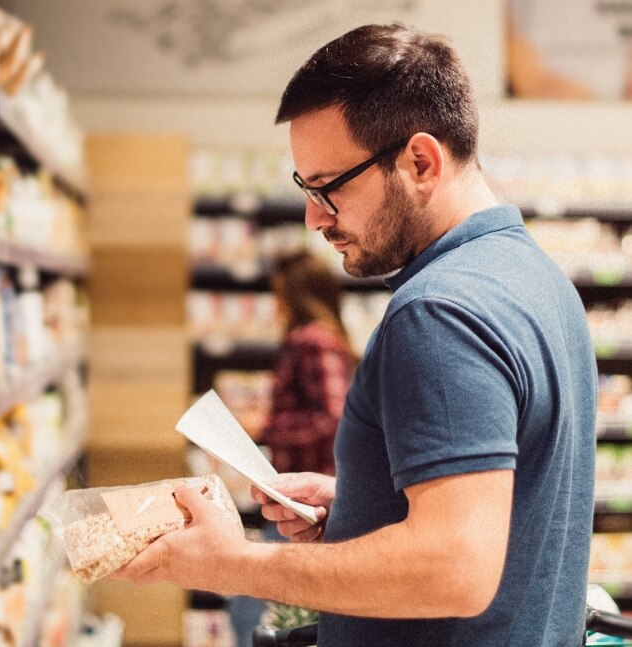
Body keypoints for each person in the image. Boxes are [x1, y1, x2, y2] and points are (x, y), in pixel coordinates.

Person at [117, 23, 597, 647]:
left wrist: (230, 564)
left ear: (420, 162)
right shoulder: (539, 281)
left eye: (329, 187)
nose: (316, 217)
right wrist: (364, 505)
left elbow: (453, 570)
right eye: (306, 190)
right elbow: (507, 509)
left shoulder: (437, 311)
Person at [262, 250, 356, 476]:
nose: (275, 302)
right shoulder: (319, 337)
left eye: (279, 292)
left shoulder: (313, 340)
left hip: (314, 481)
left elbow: (331, 415)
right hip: (308, 480)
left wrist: (269, 427)